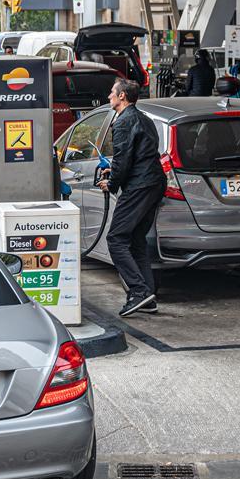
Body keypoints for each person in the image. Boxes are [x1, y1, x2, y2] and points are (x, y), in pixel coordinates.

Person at [97, 79, 165, 317]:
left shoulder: (124, 122)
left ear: (122, 96)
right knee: (136, 240)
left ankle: (138, 291)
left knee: (116, 239)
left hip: (139, 185)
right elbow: (140, 154)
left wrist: (112, 182)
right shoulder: (144, 118)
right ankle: (148, 297)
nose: (109, 97)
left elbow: (123, 158)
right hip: (154, 182)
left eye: (112, 93)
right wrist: (113, 171)